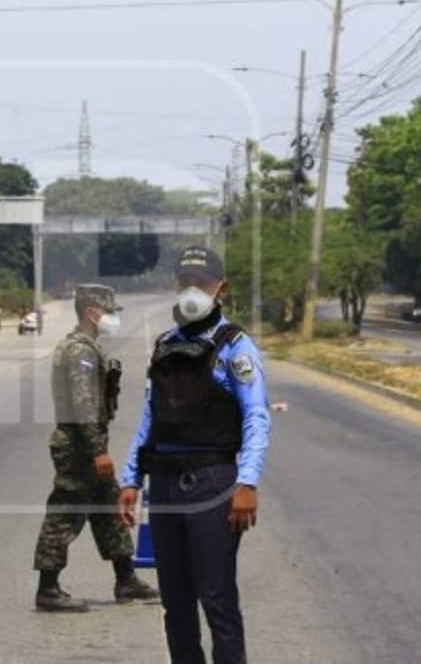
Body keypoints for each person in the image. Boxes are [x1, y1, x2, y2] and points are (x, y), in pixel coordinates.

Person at [117, 246, 272, 663]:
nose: (191, 291)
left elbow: (257, 417)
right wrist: (132, 478)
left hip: (213, 482)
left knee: (217, 598)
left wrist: (248, 481)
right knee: (175, 604)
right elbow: (150, 419)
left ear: (220, 289)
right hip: (164, 484)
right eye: (184, 282)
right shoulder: (166, 345)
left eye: (200, 284)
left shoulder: (235, 347)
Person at [34, 284, 158, 612]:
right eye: (110, 311)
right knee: (64, 514)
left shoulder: (87, 347)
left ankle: (126, 579)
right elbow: (84, 404)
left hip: (85, 445)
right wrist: (98, 450)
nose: (113, 318)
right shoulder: (80, 352)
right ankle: (48, 588)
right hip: (79, 448)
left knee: (108, 510)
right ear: (92, 312)